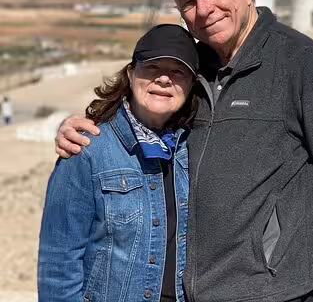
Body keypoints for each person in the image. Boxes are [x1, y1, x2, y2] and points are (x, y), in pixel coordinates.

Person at [55, 0, 313, 302]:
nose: (203, 10)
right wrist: (81, 126)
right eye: (188, 2)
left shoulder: (300, 63)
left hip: (273, 290)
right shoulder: (190, 67)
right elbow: (141, 106)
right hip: (192, 290)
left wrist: (298, 230)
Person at [39, 24, 200, 301]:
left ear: (191, 84)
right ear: (130, 73)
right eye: (152, 67)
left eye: (177, 71)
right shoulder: (88, 149)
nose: (164, 79)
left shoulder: (195, 145)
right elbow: (58, 265)